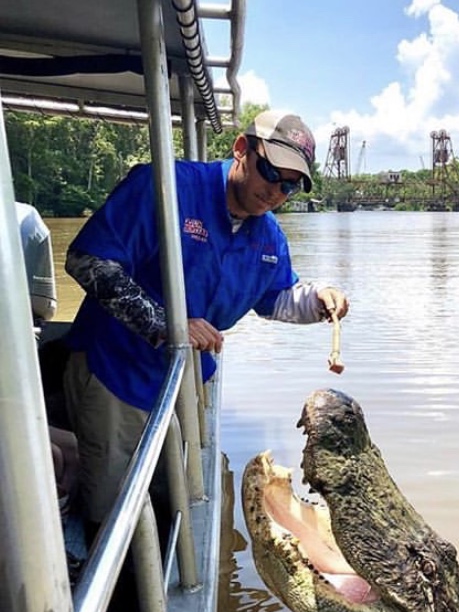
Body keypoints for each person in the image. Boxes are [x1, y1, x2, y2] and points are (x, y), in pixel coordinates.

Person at [62, 110, 349, 538]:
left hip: (187, 380)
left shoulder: (269, 237)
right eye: (270, 172)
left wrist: (318, 300)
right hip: (115, 373)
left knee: (176, 499)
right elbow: (86, 260)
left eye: (290, 185)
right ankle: (112, 589)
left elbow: (275, 299)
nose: (275, 191)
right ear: (241, 150)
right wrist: (168, 323)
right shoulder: (165, 186)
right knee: (111, 505)